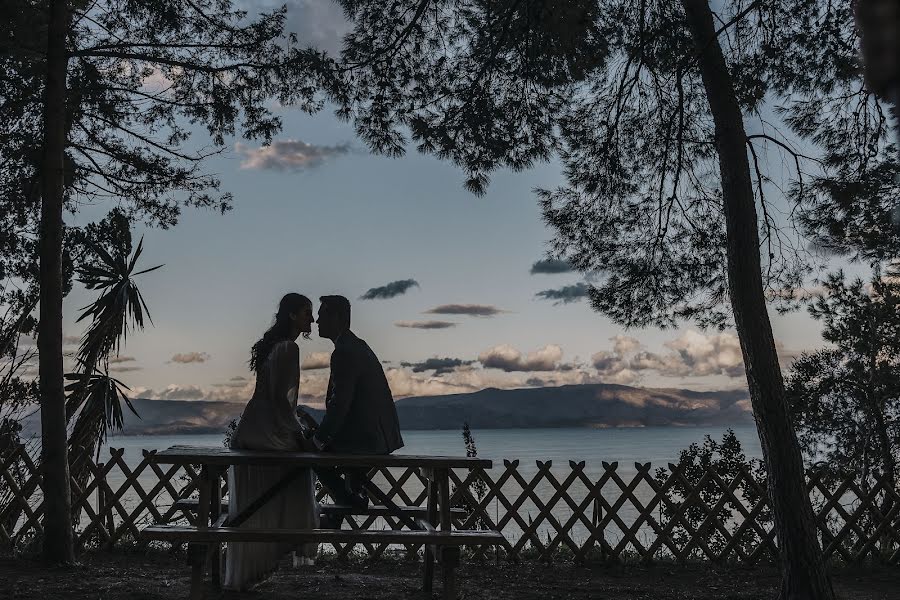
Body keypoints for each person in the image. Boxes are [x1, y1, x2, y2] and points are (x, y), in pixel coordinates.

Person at [223, 293, 318, 591]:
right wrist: (300, 434)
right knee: (302, 474)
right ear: (291, 315)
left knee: (256, 503)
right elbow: (282, 400)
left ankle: (254, 565)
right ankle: (284, 542)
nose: (311, 319)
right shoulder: (289, 348)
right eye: (306, 313)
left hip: (251, 430)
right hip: (270, 433)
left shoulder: (273, 347)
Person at [307, 295, 404, 513]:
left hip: (366, 441)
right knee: (326, 451)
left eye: (322, 315)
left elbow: (340, 403)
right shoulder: (359, 346)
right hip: (381, 438)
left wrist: (318, 440)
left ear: (338, 317)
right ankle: (349, 495)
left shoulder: (344, 351)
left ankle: (345, 500)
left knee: (308, 451)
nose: (316, 321)